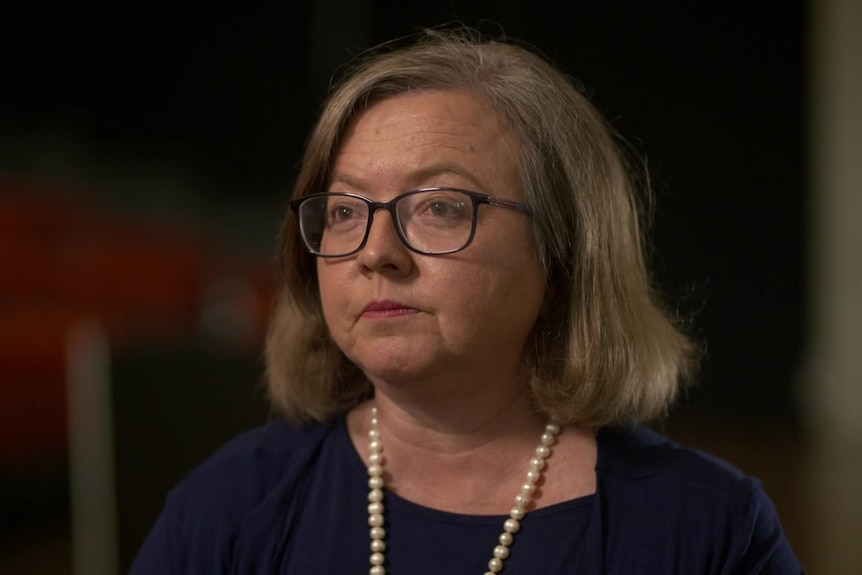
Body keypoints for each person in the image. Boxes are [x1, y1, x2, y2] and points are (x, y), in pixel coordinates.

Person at [131, 27, 804, 574]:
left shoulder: (709, 528)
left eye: (440, 206)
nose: (375, 252)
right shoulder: (231, 504)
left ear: (562, 245)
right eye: (343, 211)